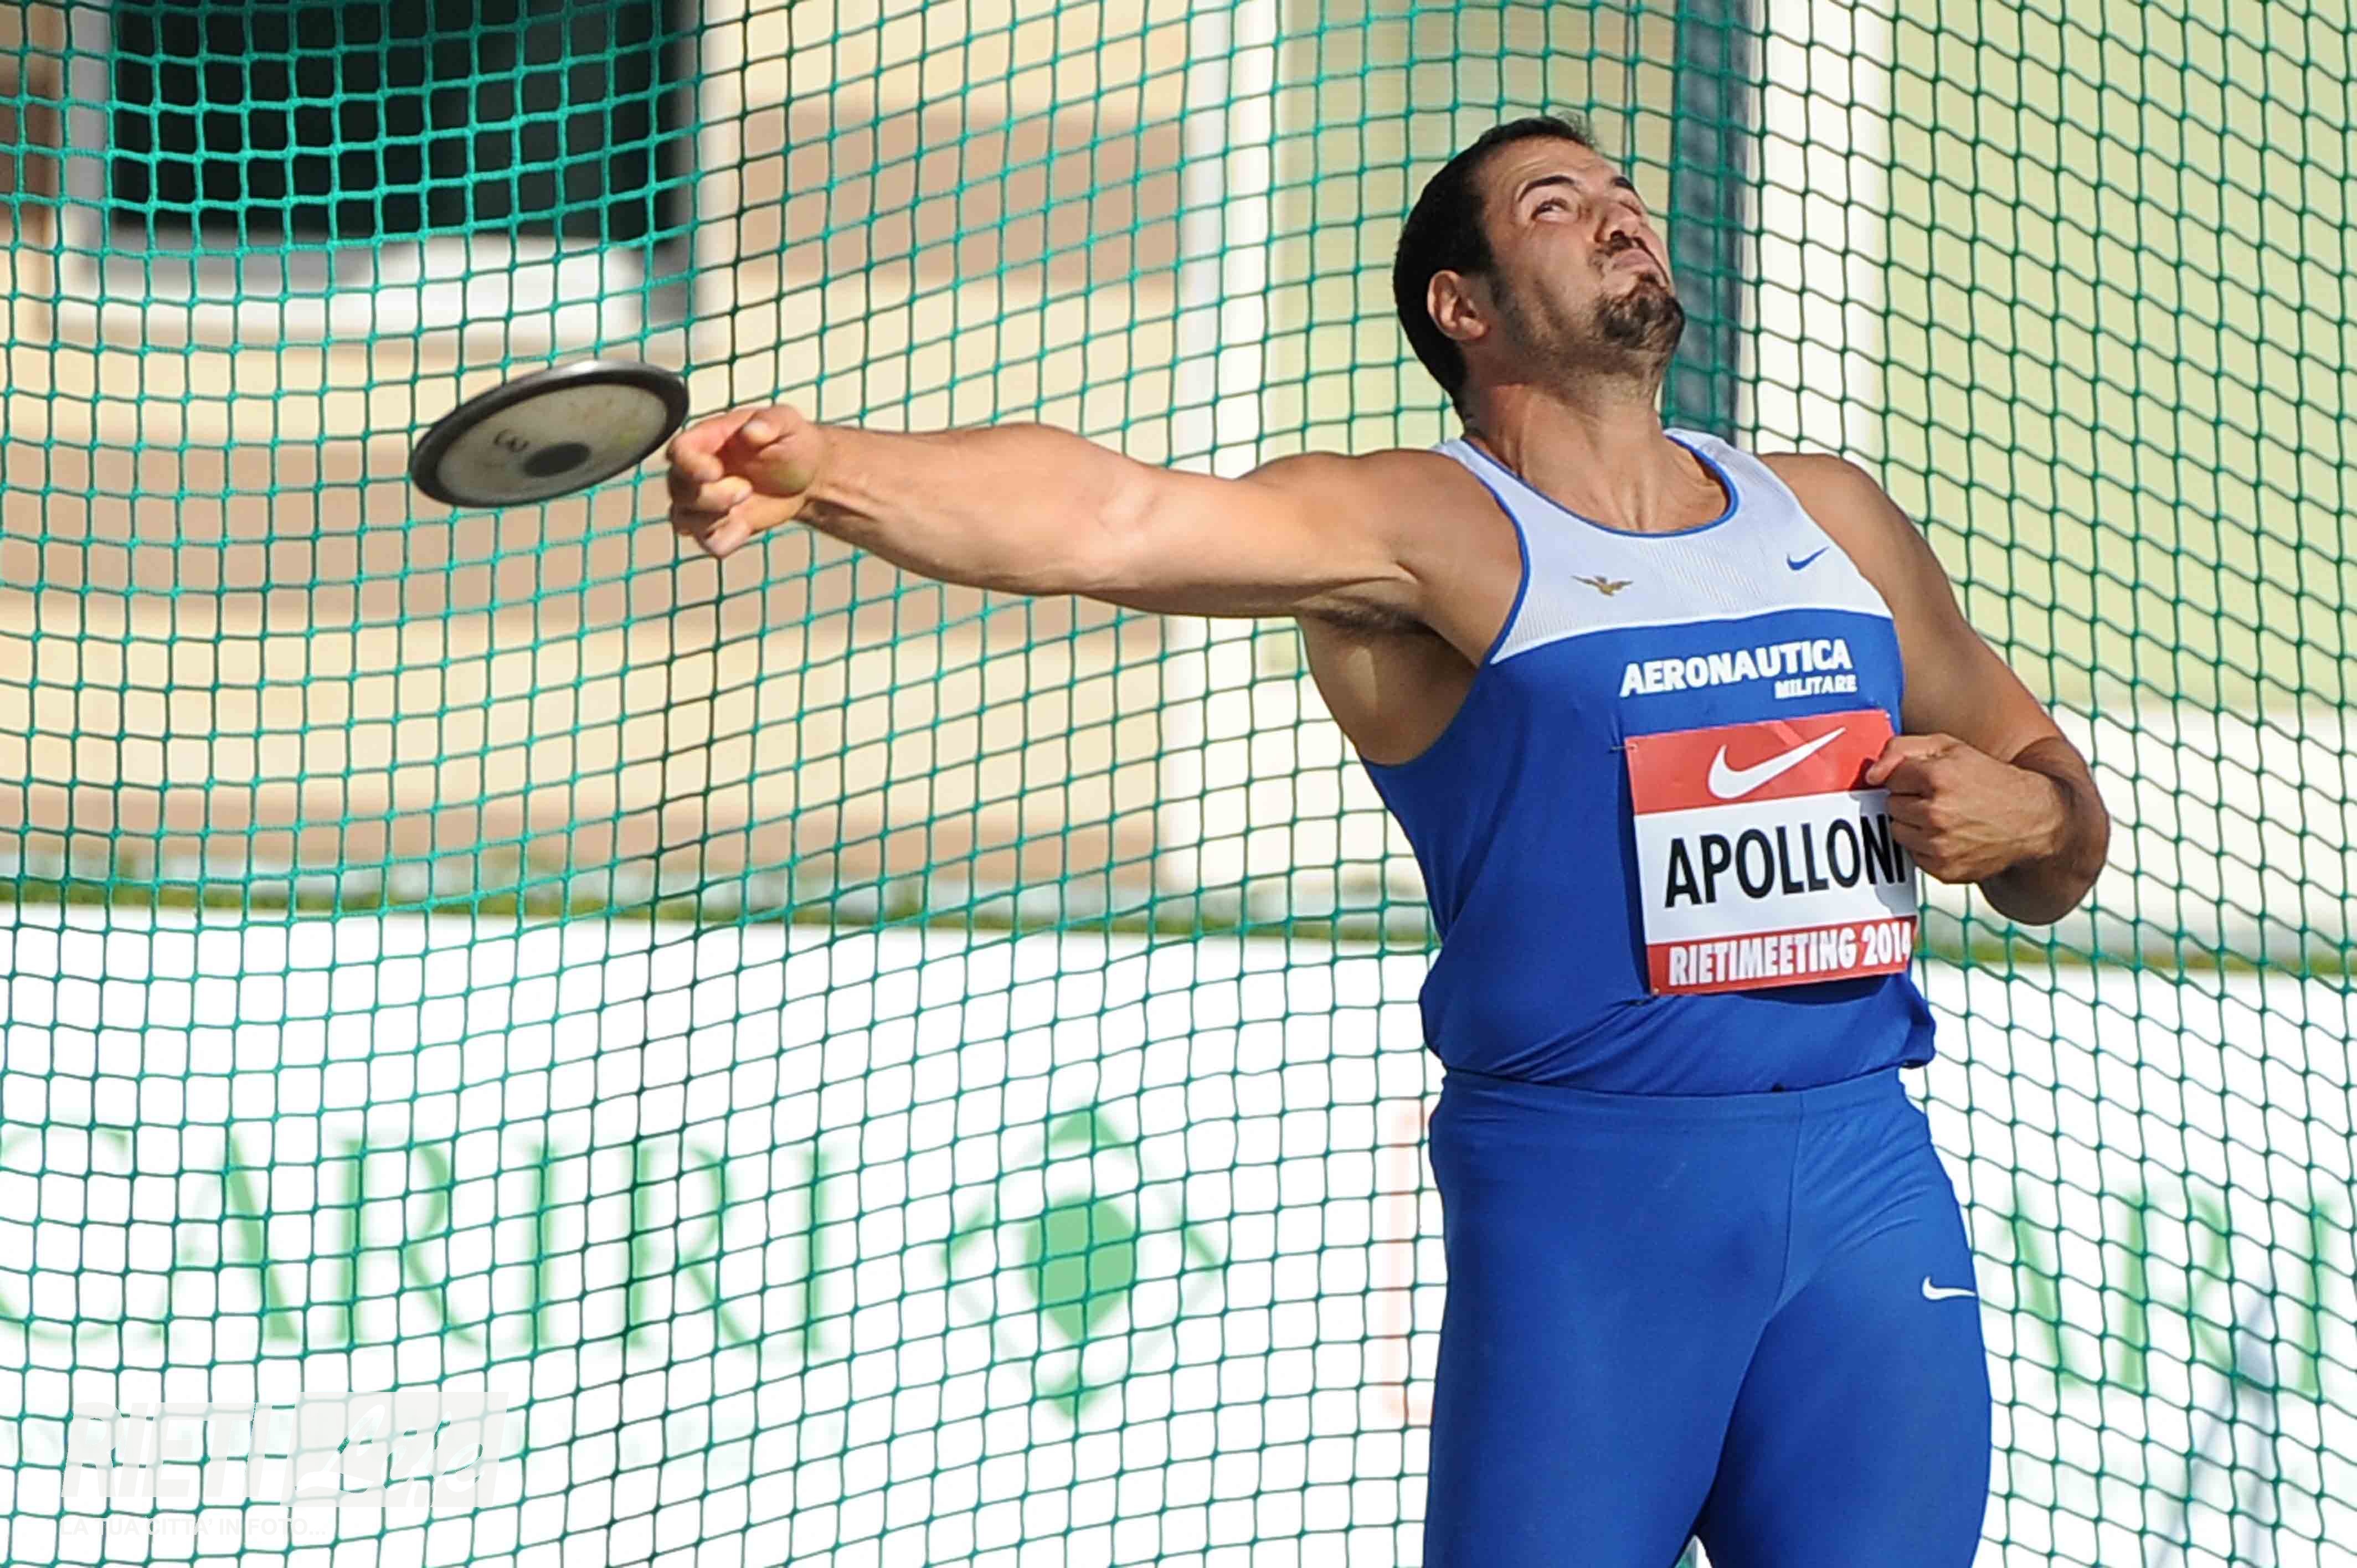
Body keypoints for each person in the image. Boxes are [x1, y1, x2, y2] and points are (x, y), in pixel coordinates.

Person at [665, 113, 2109, 1568]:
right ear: (1461, 307)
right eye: (1557, 204)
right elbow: (1111, 518)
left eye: (1622, 191)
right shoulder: (1419, 524)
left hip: (1867, 1185)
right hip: (1591, 1203)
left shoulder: (1829, 513)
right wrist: (826, 473)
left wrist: (2033, 816)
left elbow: (2060, 818)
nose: (1620, 214)